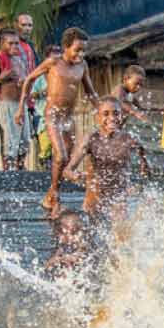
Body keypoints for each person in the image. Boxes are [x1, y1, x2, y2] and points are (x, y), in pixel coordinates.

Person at [17, 27, 99, 218]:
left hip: (68, 117)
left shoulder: (82, 66)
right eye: (77, 49)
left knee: (66, 160)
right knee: (61, 156)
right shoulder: (53, 62)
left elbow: (91, 92)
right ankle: (54, 194)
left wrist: (101, 111)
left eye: (84, 50)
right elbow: (29, 79)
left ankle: (51, 195)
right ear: (66, 47)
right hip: (52, 115)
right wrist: (21, 106)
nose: (81, 54)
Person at [63, 96, 150, 227]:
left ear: (121, 116)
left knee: (120, 239)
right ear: (97, 117)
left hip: (119, 198)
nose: (112, 118)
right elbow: (67, 171)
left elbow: (141, 149)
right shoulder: (91, 139)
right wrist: (75, 176)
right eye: (105, 114)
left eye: (116, 113)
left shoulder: (128, 139)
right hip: (95, 199)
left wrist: (145, 164)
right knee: (91, 238)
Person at [0, 29, 29, 170]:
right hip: (7, 104)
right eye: (10, 44)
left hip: (21, 105)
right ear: (3, 44)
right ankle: (8, 171)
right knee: (10, 139)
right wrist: (1, 78)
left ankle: (20, 169)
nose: (14, 46)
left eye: (17, 43)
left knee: (25, 139)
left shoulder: (21, 60)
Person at [31, 45, 61, 171]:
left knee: (59, 147)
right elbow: (32, 94)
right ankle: (45, 173)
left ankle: (54, 173)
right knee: (46, 147)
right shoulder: (40, 77)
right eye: (53, 55)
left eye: (58, 54)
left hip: (58, 116)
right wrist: (44, 92)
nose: (56, 58)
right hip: (42, 115)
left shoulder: (61, 76)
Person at [44, 210, 90, 279]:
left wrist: (68, 259)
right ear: (60, 234)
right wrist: (57, 260)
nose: (80, 235)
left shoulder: (84, 247)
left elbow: (79, 257)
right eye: (74, 232)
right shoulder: (61, 249)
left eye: (81, 231)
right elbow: (47, 266)